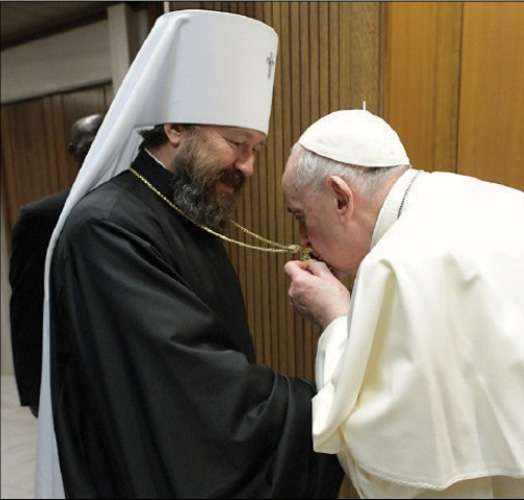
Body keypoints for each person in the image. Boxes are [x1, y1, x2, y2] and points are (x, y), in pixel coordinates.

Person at [35, 10, 343, 499]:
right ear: (176, 126)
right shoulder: (107, 230)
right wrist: (326, 407)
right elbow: (192, 394)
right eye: (236, 143)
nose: (247, 166)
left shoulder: (183, 206)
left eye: (257, 149)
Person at [282, 109, 524, 498]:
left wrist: (335, 319)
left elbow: (392, 469)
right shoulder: (481, 197)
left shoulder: (399, 262)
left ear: (341, 198)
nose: (302, 238)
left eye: (300, 216)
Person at [9, 113, 103, 418]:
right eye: (90, 142)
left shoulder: (142, 207)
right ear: (73, 151)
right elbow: (26, 310)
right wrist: (34, 391)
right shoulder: (40, 219)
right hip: (73, 373)